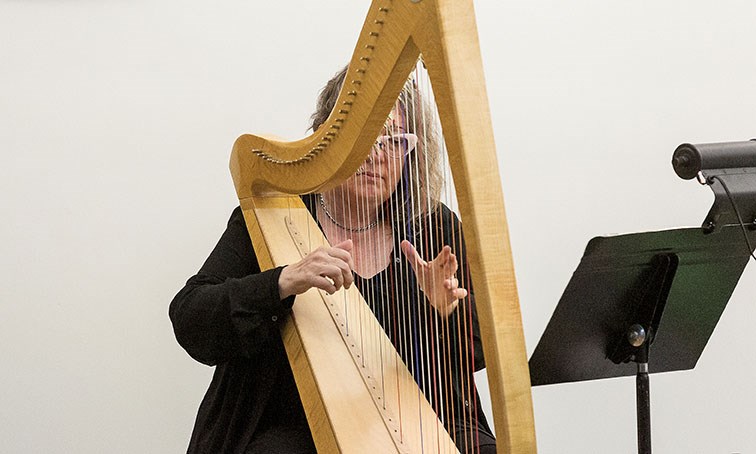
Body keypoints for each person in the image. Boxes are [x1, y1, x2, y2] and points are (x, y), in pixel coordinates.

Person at [170, 66, 496, 453]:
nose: (378, 155)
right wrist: (283, 281)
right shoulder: (271, 216)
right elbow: (190, 317)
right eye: (366, 139)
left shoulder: (432, 226)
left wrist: (445, 312)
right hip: (290, 427)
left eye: (394, 141)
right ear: (330, 144)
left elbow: (479, 354)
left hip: (418, 419)